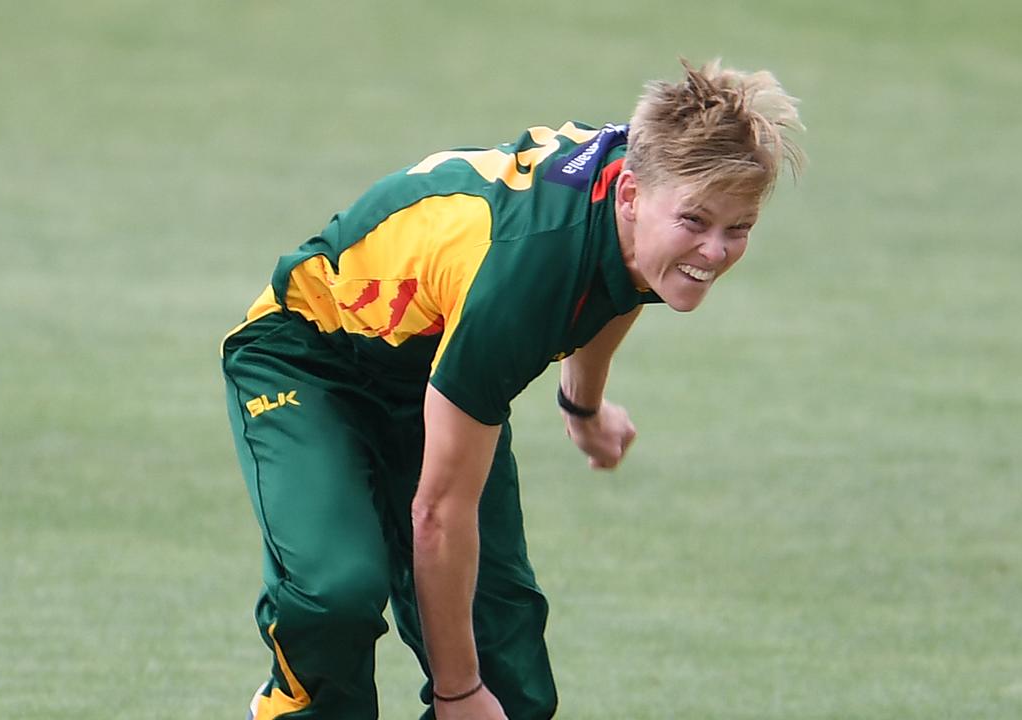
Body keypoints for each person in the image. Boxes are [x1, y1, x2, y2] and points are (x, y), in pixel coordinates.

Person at [220, 58, 804, 720]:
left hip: (433, 365)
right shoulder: (523, 279)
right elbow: (438, 515)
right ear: (632, 195)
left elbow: (623, 280)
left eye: (740, 228)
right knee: (337, 595)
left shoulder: (643, 189)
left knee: (514, 691)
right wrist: (456, 691)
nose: (715, 252)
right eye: (696, 222)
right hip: (311, 356)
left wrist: (580, 405)